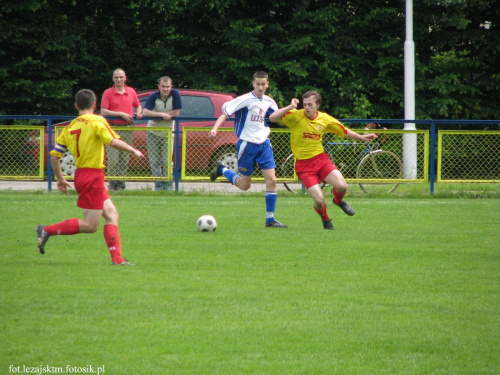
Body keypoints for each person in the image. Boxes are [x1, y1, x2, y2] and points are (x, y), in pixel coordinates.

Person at [35, 89, 144, 265]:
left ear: (76, 105)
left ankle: (117, 259)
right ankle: (47, 230)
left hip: (82, 175)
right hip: (93, 176)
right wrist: (133, 150)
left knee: (111, 214)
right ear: (94, 105)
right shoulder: (97, 120)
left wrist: (61, 179)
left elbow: (54, 156)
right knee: (91, 225)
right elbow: (113, 141)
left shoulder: (69, 127)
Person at [269, 91, 377, 230]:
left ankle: (338, 201)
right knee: (319, 201)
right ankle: (325, 219)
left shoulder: (325, 119)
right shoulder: (296, 116)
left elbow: (343, 131)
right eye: (305, 105)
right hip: (304, 166)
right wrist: (290, 106)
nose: (307, 108)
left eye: (310, 105)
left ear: (318, 105)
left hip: (321, 160)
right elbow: (272, 117)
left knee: (342, 186)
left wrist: (361, 137)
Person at [209, 71, 287, 228]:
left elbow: (276, 117)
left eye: (263, 84)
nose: (260, 87)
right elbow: (225, 112)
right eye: (257, 84)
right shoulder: (245, 99)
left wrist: (291, 108)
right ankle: (222, 169)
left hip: (264, 144)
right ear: (253, 84)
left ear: (267, 84)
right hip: (247, 145)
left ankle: (270, 220)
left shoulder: (269, 102)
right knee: (245, 186)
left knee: (272, 180)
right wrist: (215, 128)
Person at [101, 68, 143, 191]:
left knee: (125, 158)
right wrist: (121, 114)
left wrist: (139, 112)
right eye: (116, 77)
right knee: (113, 159)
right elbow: (103, 111)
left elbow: (138, 105)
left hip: (128, 128)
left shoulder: (131, 91)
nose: (119, 79)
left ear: (125, 78)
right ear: (113, 79)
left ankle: (121, 185)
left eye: (121, 77)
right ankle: (112, 184)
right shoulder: (108, 92)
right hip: (113, 128)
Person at [143, 76, 182, 191]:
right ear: (159, 86)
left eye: (167, 87)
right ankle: (158, 186)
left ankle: (168, 186)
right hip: (152, 132)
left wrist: (158, 115)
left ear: (171, 87)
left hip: (168, 133)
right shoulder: (153, 96)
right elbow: (145, 112)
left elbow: (177, 112)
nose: (165, 89)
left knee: (167, 161)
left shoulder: (175, 94)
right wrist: (162, 116)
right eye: (163, 86)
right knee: (154, 161)